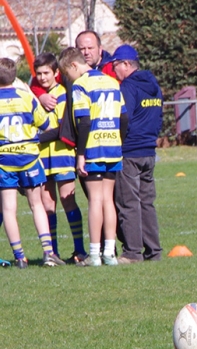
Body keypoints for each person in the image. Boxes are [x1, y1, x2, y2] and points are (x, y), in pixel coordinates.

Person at [58, 47, 127, 267]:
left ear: (73, 66)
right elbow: (123, 119)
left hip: (94, 147)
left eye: (68, 75)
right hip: (113, 146)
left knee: (96, 199)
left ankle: (94, 255)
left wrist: (80, 154)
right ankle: (110, 253)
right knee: (109, 199)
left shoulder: (81, 85)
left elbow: (84, 122)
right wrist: (119, 141)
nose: (70, 79)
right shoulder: (111, 81)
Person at [0, 58, 64, 268]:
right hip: (28, 158)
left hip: (4, 161)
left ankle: (20, 257)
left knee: (9, 209)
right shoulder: (26, 96)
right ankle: (48, 253)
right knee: (36, 204)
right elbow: (46, 124)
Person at [110, 45, 163, 264]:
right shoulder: (154, 85)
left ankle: (132, 253)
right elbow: (159, 115)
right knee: (146, 202)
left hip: (130, 151)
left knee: (129, 202)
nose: (114, 72)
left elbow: (125, 117)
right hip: (149, 151)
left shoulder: (128, 87)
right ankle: (154, 251)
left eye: (115, 66)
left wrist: (118, 141)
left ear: (126, 64)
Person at [34, 53, 88, 264]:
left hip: (62, 155)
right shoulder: (37, 96)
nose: (43, 77)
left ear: (56, 73)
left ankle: (80, 250)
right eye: (39, 73)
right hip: (42, 158)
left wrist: (35, 139)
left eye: (46, 73)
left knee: (68, 201)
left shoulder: (63, 94)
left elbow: (60, 129)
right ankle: (52, 253)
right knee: (48, 204)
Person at [31, 30, 115, 111]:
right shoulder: (68, 70)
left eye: (90, 48)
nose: (86, 52)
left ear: (100, 49)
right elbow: (41, 80)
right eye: (82, 49)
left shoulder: (111, 69)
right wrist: (42, 96)